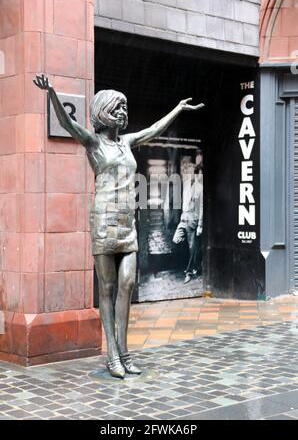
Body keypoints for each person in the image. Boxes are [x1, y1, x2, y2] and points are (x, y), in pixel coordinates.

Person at [34, 74, 204, 379]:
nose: (123, 113)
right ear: (104, 111)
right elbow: (68, 124)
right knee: (108, 288)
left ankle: (125, 353)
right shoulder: (93, 142)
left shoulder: (127, 142)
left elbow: (153, 129)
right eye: (118, 108)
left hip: (127, 223)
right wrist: (53, 94)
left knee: (126, 285)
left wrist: (177, 109)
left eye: (125, 108)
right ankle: (112, 354)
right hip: (103, 221)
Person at [173, 160, 203, 284]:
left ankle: (189, 272)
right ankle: (196, 265)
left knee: (192, 248)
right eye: (187, 172)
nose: (188, 175)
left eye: (191, 172)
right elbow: (183, 203)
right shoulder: (185, 186)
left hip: (193, 221)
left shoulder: (200, 188)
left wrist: (200, 225)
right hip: (183, 219)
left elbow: (200, 207)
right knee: (176, 239)